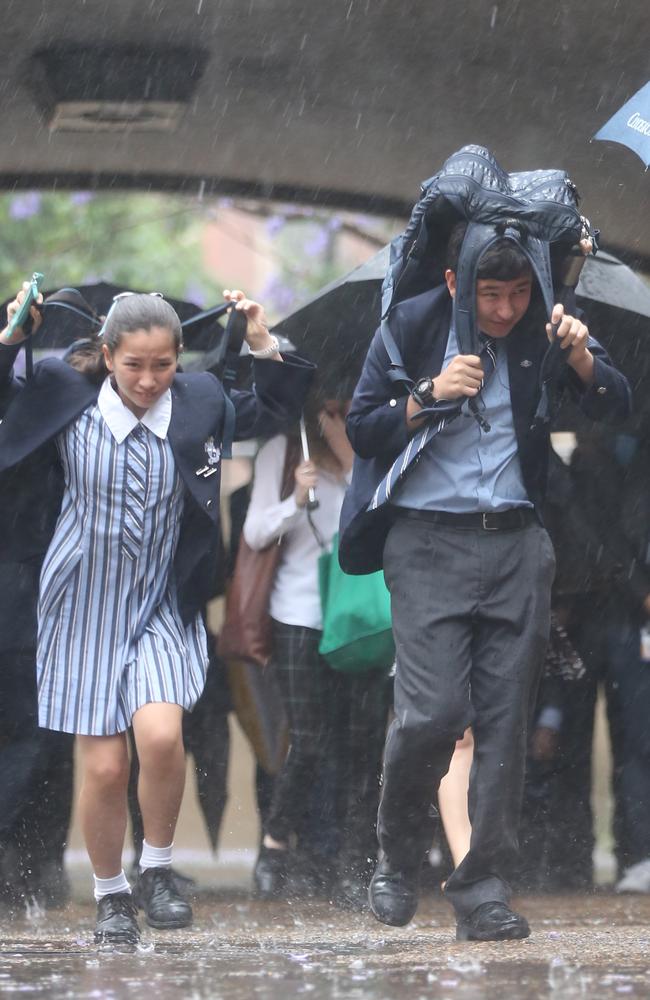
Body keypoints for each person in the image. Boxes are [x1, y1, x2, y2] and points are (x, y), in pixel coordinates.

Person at [339, 220, 631, 941]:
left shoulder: (546, 328)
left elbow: (617, 403)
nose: (504, 309)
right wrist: (428, 395)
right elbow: (363, 427)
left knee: (504, 722)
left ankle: (483, 889)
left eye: (518, 293)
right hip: (425, 543)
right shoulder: (409, 326)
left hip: (516, 545)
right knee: (434, 714)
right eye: (490, 294)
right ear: (453, 283)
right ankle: (398, 853)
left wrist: (581, 357)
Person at [0, 284, 314, 946]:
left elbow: (278, 408)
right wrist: (13, 340)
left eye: (163, 364)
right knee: (107, 767)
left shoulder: (199, 401)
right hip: (78, 604)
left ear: (179, 358)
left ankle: (159, 870)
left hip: (162, 601)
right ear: (108, 355)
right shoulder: (63, 392)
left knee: (164, 737)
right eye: (134, 364)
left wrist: (261, 341)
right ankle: (111, 896)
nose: (148, 379)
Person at [243, 397, 391, 906]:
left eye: (347, 401)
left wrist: (351, 462)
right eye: (329, 401)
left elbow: (381, 521)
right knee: (309, 741)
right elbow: (255, 531)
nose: (338, 410)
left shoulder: (372, 451)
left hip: (357, 616)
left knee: (362, 743)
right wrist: (295, 501)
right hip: (299, 612)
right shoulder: (283, 451)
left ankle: (355, 862)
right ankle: (276, 845)